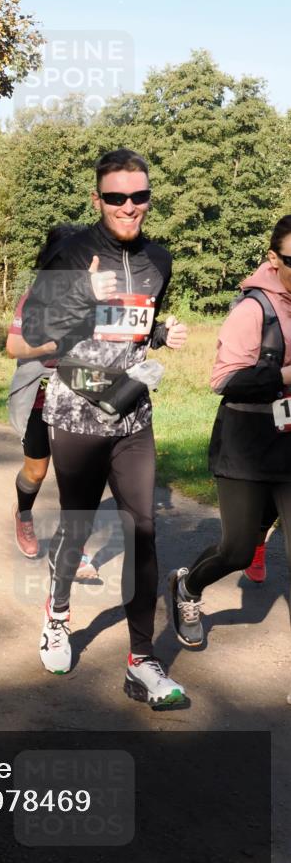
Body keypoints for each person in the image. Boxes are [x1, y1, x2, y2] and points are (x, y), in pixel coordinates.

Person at [22, 148, 189, 710]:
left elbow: (132, 325)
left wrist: (161, 334)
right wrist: (81, 292)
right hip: (76, 412)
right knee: (77, 524)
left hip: (133, 413)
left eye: (139, 196)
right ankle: (57, 615)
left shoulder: (158, 259)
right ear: (98, 199)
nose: (128, 206)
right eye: (116, 196)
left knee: (143, 530)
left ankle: (142, 659)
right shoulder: (71, 253)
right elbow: (35, 330)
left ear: (148, 198)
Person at [169, 215, 291, 649]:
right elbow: (223, 380)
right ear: (274, 259)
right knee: (237, 551)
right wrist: (286, 375)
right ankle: (188, 588)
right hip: (247, 444)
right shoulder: (253, 310)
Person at [7, 226, 97, 579]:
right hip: (40, 393)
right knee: (36, 471)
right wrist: (48, 347)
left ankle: (74, 547)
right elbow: (13, 347)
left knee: (76, 473)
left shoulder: (95, 297)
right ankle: (23, 515)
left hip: (78, 392)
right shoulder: (36, 296)